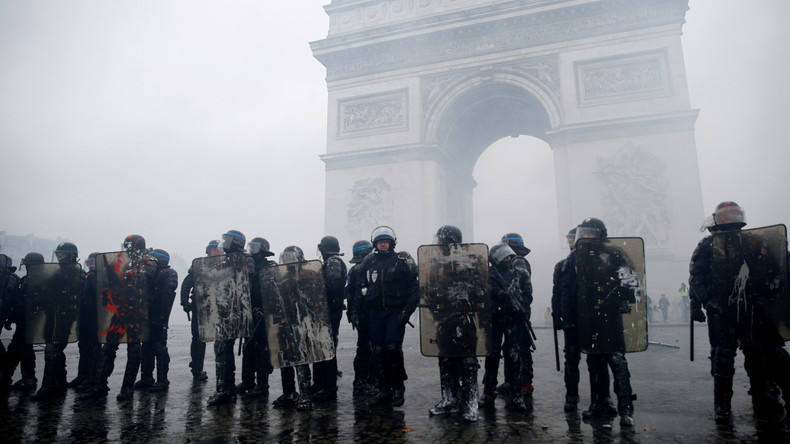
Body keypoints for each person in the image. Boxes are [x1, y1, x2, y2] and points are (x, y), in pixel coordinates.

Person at [689, 201, 790, 424]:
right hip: (749, 311)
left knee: (731, 359)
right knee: (758, 356)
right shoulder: (757, 241)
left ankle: (725, 407)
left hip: (735, 311)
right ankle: (758, 400)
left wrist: (703, 303)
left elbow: (697, 278)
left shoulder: (709, 244)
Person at [560, 218, 636, 427]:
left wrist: (613, 295)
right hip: (586, 320)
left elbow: (631, 285)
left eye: (588, 233)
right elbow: (566, 291)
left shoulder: (614, 254)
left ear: (600, 234)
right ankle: (599, 403)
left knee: (617, 362)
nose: (583, 237)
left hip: (609, 318)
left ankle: (626, 409)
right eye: (581, 233)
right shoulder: (572, 260)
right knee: (594, 362)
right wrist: (566, 317)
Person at [81, 234, 156, 401]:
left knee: (134, 351)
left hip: (136, 313)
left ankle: (127, 388)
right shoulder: (124, 263)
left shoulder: (148, 263)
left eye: (131, 247)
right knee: (108, 348)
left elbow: (146, 278)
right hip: (120, 311)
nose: (128, 250)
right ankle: (99, 386)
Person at [357, 226, 418, 407]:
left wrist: (407, 311)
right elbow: (360, 289)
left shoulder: (402, 260)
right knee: (378, 350)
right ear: (375, 244)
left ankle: (398, 388)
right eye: (380, 242)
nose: (383, 244)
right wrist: (356, 312)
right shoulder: (368, 262)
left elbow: (414, 288)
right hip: (376, 313)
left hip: (395, 312)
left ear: (391, 243)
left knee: (392, 348)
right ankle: (384, 390)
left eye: (386, 241)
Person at [427, 225, 482, 422]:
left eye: (442, 242)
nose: (439, 245)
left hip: (464, 319)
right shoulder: (436, 265)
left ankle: (470, 404)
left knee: (467, 362)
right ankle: (449, 399)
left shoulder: (469, 264)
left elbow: (480, 292)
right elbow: (429, 290)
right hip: (443, 320)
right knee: (446, 359)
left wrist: (465, 300)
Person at [481, 243, 532, 411]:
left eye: (508, 255)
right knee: (492, 356)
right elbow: (484, 290)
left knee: (514, 356)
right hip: (495, 319)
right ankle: (488, 392)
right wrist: (498, 294)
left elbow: (527, 294)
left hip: (514, 319)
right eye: (503, 255)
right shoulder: (490, 275)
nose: (507, 258)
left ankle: (517, 395)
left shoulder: (519, 273)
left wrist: (521, 304)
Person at [32, 242, 86, 401]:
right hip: (52, 315)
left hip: (64, 317)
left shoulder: (77, 274)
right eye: (58, 254)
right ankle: (60, 382)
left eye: (62, 254)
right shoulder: (58, 272)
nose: (59, 257)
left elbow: (78, 297)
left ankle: (47, 387)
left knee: (52, 349)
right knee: (55, 349)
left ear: (70, 255)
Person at [207, 230, 255, 406]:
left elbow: (246, 281)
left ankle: (228, 391)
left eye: (227, 240)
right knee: (221, 350)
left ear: (236, 242)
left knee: (227, 350)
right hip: (225, 311)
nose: (224, 243)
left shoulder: (246, 259)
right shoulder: (224, 260)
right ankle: (224, 388)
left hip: (238, 311)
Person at [552, 226, 594, 412]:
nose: (570, 242)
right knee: (571, 361)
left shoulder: (593, 261)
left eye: (572, 238)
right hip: (572, 320)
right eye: (568, 239)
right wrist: (557, 317)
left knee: (595, 362)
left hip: (591, 319)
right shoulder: (563, 265)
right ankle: (572, 396)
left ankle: (600, 399)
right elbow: (558, 294)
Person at [271, 245, 315, 411]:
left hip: (300, 321)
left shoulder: (307, 274)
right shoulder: (279, 275)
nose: (289, 260)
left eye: (292, 256)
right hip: (282, 320)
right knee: (285, 357)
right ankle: (288, 392)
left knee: (301, 358)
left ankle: (305, 395)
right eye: (286, 256)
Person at [237, 237, 277, 398]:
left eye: (254, 247)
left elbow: (272, 289)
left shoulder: (270, 266)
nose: (251, 250)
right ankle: (247, 381)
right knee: (248, 347)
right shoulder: (247, 264)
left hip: (263, 313)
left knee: (261, 349)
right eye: (250, 247)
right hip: (248, 311)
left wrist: (264, 307)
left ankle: (262, 385)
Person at [134, 249, 178, 393]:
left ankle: (162, 379)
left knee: (159, 347)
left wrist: (162, 317)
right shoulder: (151, 273)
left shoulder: (169, 273)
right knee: (146, 347)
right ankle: (146, 377)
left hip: (159, 316)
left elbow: (168, 296)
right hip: (147, 315)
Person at [312, 236, 347, 402]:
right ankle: (319, 383)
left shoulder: (333, 262)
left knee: (327, 348)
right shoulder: (330, 262)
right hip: (325, 311)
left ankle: (329, 387)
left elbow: (333, 286)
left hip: (329, 311)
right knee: (320, 348)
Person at [181, 239, 221, 382]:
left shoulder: (227, 264)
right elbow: (187, 283)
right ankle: (197, 369)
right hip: (201, 307)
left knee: (222, 341)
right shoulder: (200, 265)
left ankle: (223, 373)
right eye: (213, 249)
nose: (216, 252)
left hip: (221, 308)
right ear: (208, 251)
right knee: (198, 339)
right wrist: (184, 302)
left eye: (218, 249)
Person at [500, 232, 535, 396]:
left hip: (518, 312)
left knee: (520, 348)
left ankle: (524, 382)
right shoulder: (516, 261)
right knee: (510, 348)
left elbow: (520, 287)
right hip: (513, 311)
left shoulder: (518, 262)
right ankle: (512, 381)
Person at [346, 240, 376, 396]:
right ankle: (364, 383)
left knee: (365, 349)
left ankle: (363, 382)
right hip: (367, 314)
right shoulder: (362, 269)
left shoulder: (353, 270)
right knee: (367, 350)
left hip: (360, 314)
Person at [69, 252, 100, 391]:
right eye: (90, 262)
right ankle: (82, 375)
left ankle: (92, 378)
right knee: (84, 347)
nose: (91, 265)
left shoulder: (101, 279)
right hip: (85, 317)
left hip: (96, 319)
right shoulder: (87, 278)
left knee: (94, 349)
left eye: (94, 262)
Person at [0, 254, 26, 395]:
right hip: (11, 315)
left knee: (20, 349)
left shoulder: (12, 279)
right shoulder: (17, 279)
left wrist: (10, 317)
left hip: (23, 320)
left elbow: (12, 300)